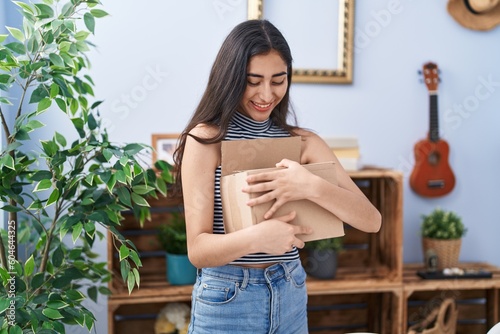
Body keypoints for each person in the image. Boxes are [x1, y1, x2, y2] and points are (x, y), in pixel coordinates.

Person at [173, 19, 381, 334]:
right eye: (253, 81)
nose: (266, 94)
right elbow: (198, 251)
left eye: (278, 80)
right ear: (230, 78)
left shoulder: (305, 142)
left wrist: (311, 186)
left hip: (290, 290)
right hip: (227, 298)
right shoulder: (206, 140)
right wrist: (260, 237)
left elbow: (371, 220)